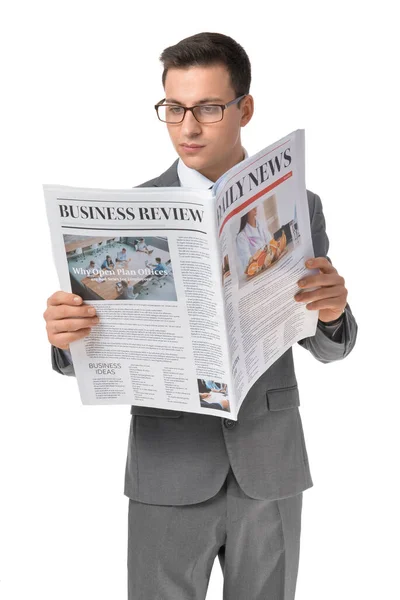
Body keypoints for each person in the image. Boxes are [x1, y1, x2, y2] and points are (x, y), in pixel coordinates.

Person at [43, 32, 358, 600]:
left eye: (209, 108)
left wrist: (334, 314)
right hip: (168, 466)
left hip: (270, 464)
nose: (188, 127)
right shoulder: (128, 215)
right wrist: (67, 340)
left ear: (245, 109)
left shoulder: (299, 204)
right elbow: (82, 359)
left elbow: (332, 345)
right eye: (173, 109)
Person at [236, 206, 272, 272]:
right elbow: (248, 264)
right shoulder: (241, 237)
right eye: (251, 207)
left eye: (255, 205)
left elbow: (271, 243)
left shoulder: (261, 224)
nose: (255, 208)